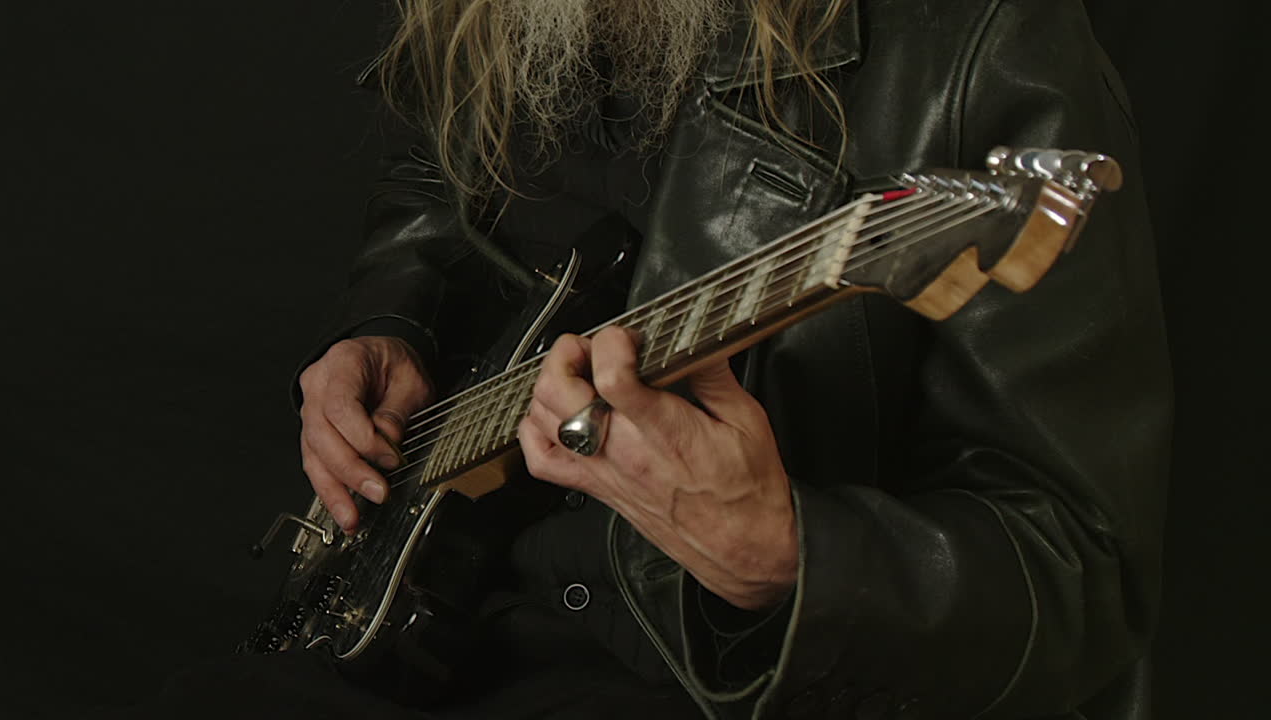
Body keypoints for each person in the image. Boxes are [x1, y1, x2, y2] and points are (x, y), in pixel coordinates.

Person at [102, 1, 1172, 718]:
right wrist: (391, 323)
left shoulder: (983, 42)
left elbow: (1082, 586)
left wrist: (785, 555)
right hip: (430, 609)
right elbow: (433, 171)